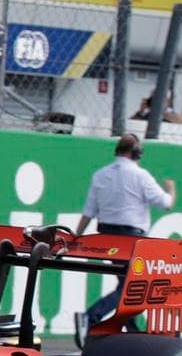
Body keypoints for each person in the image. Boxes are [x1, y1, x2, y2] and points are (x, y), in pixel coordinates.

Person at [74, 134, 176, 330]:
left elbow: (89, 212)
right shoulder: (140, 175)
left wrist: (76, 236)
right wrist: (171, 189)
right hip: (131, 236)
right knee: (135, 286)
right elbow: (166, 203)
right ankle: (91, 316)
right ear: (136, 152)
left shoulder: (100, 174)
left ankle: (131, 331)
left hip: (107, 235)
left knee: (128, 284)